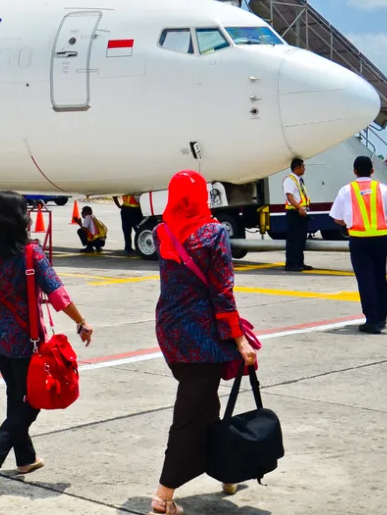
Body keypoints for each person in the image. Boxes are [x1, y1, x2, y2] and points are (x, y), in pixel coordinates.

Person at [0, 191, 93, 498]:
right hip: (25, 341)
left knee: (16, 394)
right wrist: (81, 321)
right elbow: (57, 294)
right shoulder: (31, 254)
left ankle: (25, 458)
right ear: (19, 219)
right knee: (32, 401)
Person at [151, 170, 257, 515]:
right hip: (201, 337)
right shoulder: (213, 233)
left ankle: (225, 472)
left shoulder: (161, 231)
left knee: (206, 405)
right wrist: (240, 340)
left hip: (170, 331)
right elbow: (222, 293)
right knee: (190, 414)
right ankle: (163, 495)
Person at [329, 155, 387, 334]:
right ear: (372, 171)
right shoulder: (382, 189)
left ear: (354, 171)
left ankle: (372, 320)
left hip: (359, 239)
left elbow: (337, 218)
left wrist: (349, 221)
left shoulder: (347, 190)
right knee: (379, 277)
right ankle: (382, 317)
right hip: (380, 239)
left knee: (365, 279)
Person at [283, 157, 312, 271]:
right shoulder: (290, 180)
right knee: (293, 240)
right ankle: (291, 264)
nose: (304, 169)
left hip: (301, 214)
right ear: (297, 167)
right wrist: (299, 207)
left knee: (300, 240)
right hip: (294, 213)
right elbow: (289, 196)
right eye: (303, 167)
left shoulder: (299, 180)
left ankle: (299, 262)